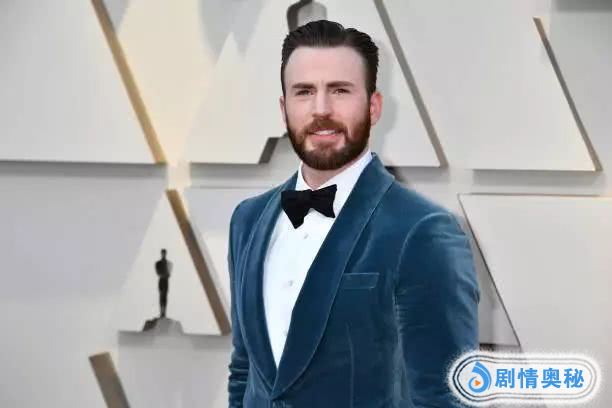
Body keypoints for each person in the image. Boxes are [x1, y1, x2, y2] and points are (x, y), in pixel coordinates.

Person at [227, 20, 480, 407]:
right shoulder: (248, 220)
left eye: (340, 90)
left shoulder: (423, 231)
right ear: (283, 108)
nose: (321, 109)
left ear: (373, 107)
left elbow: (445, 395)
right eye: (304, 92)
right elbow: (244, 371)